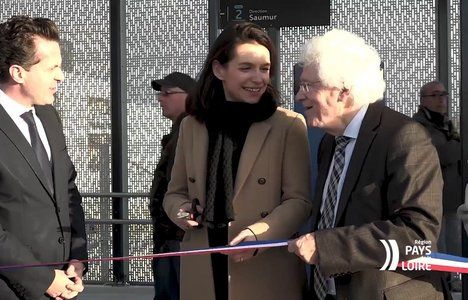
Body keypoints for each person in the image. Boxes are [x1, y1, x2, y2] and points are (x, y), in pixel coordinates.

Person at [287, 29, 448, 299]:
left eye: (308, 85)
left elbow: (419, 235)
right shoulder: (330, 142)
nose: (299, 96)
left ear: (343, 91)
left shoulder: (403, 136)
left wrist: (328, 246)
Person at [163, 22, 312, 300]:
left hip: (263, 265)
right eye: (246, 68)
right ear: (219, 69)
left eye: (264, 69)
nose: (258, 78)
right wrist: (183, 212)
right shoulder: (192, 126)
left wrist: (259, 235)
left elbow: (299, 201)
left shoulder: (288, 125)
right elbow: (174, 194)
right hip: (202, 262)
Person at [0, 16, 88, 300]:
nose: (61, 76)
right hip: (3, 289)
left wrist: (77, 256)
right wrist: (42, 279)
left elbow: (68, 189)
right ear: (18, 73)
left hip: (64, 283)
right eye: (52, 68)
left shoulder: (48, 117)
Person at [149, 71, 196, 300]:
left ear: (190, 96)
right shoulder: (180, 131)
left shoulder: (191, 131)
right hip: (170, 239)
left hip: (178, 239)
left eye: (168, 93)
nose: (160, 98)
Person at [413, 80, 462, 291]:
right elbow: (441, 153)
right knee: (438, 243)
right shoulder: (418, 126)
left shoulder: (448, 124)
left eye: (444, 94)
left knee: (455, 241)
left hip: (455, 197)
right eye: (435, 95)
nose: (441, 98)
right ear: (423, 100)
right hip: (432, 197)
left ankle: (456, 278)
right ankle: (442, 282)